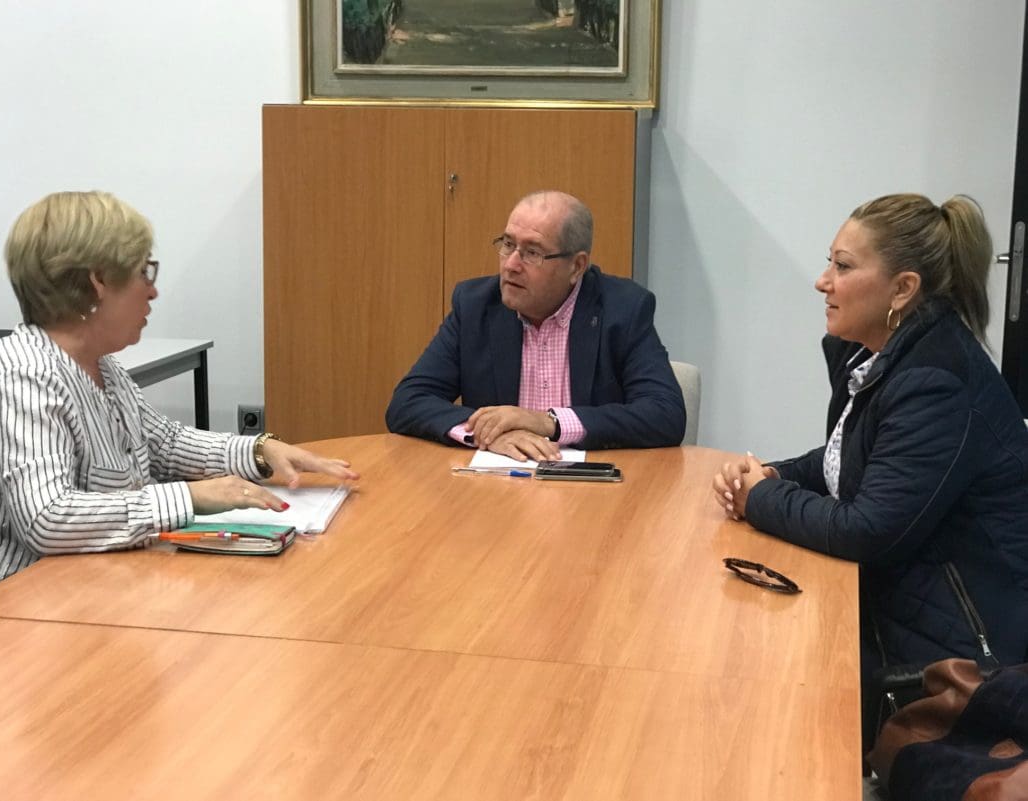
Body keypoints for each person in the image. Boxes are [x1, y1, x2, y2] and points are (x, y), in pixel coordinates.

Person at [712, 193, 1028, 747]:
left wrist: (758, 499)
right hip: (896, 609)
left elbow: (870, 529)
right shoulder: (881, 354)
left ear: (902, 289)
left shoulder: (935, 382)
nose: (822, 282)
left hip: (956, 658)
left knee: (756, 699)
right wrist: (774, 476)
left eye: (843, 266)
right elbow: (852, 461)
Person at [0, 191, 357, 602]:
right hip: (8, 608)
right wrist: (190, 497)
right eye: (143, 272)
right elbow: (49, 518)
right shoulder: (21, 376)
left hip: (90, 589)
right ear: (98, 281)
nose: (153, 292)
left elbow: (164, 444)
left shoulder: (99, 365)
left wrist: (260, 451)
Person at [385, 190, 685, 460]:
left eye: (532, 253)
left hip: (593, 489)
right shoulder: (476, 306)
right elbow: (408, 402)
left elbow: (665, 414)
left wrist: (549, 422)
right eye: (508, 244)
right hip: (497, 488)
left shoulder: (623, 309)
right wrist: (489, 433)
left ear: (577, 266)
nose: (511, 265)